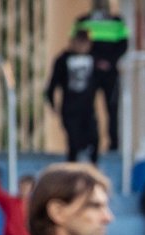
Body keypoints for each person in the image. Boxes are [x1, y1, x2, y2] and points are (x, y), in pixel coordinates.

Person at [72, 0, 129, 149]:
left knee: (112, 108)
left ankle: (113, 144)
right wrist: (96, 61)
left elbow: (124, 44)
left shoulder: (118, 21)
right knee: (86, 108)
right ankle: (87, 141)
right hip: (89, 71)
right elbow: (76, 42)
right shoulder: (82, 21)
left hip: (110, 73)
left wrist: (109, 62)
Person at [45, 31, 99, 163]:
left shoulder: (94, 58)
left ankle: (92, 167)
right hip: (70, 109)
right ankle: (72, 169)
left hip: (87, 108)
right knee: (74, 142)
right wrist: (52, 103)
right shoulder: (63, 60)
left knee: (94, 138)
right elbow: (52, 85)